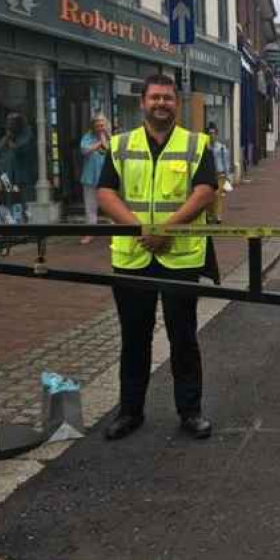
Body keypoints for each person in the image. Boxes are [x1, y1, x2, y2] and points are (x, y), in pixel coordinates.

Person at [96, 74, 217, 442]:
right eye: (155, 98)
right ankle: (130, 411)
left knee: (183, 338)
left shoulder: (196, 144)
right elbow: (105, 192)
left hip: (179, 256)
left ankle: (190, 411)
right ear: (142, 103)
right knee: (135, 338)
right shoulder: (120, 145)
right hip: (133, 256)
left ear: (176, 104)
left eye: (167, 98)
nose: (161, 104)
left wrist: (166, 228)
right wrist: (140, 229)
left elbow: (205, 191)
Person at [78, 115, 110, 244]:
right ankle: (90, 233)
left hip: (107, 177)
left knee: (110, 206)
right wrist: (98, 143)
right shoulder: (88, 137)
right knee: (90, 207)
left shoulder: (110, 136)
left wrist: (106, 138)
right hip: (90, 177)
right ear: (93, 126)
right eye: (98, 125)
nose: (101, 128)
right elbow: (84, 151)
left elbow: (113, 150)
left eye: (103, 125)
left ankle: (117, 234)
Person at [206, 122, 231, 223]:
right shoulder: (205, 147)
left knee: (218, 196)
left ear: (217, 135)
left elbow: (226, 162)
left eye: (213, 133)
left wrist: (227, 176)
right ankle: (210, 215)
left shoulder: (221, 148)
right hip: (208, 175)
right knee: (209, 196)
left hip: (219, 175)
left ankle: (218, 216)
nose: (211, 136)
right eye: (210, 133)